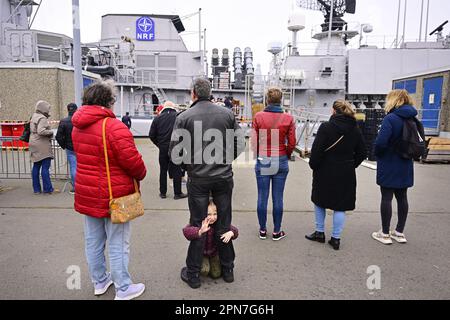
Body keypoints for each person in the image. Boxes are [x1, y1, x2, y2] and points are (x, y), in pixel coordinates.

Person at [72, 80, 147, 300]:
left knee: (93, 241)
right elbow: (133, 163)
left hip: (87, 193)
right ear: (108, 102)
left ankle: (100, 281)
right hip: (115, 194)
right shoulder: (113, 126)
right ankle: (123, 288)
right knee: (117, 242)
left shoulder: (78, 126)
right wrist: (142, 173)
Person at [169, 78, 245, 289]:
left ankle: (193, 274)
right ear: (210, 92)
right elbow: (241, 142)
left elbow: (174, 152)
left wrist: (188, 166)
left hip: (198, 178)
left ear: (193, 93)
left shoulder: (184, 117)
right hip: (223, 177)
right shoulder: (227, 114)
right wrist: (225, 160)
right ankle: (227, 270)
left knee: (198, 224)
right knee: (223, 222)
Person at [305, 100, 366, 250]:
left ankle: (319, 232)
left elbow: (317, 150)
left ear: (333, 111)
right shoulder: (355, 128)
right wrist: (351, 165)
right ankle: (336, 238)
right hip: (346, 171)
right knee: (341, 206)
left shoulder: (326, 127)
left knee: (320, 201)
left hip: (325, 170)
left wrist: (314, 165)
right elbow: (362, 152)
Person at [371, 90, 419, 245]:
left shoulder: (391, 118)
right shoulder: (413, 118)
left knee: (386, 197)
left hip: (390, 162)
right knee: (402, 197)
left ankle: (384, 233)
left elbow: (381, 142)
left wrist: (377, 154)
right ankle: (399, 232)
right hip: (405, 163)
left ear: (392, 100)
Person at [252, 87, 296, 241]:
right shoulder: (288, 118)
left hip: (264, 157)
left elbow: (254, 142)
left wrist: (259, 156)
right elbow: (292, 143)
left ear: (267, 100)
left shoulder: (258, 117)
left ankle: (263, 230)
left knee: (262, 196)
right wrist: (287, 154)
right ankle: (277, 231)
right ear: (281, 100)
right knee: (278, 198)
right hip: (281, 158)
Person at [182, 198, 238, 279]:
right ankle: (190, 269)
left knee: (216, 274)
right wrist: (200, 231)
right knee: (204, 270)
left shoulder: (219, 223)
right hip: (202, 254)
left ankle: (217, 265)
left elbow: (234, 230)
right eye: (209, 214)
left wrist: (232, 232)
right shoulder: (200, 223)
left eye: (215, 214)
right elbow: (186, 231)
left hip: (214, 253)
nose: (212, 217)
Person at [149, 101, 187, 200]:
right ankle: (177, 193)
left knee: (163, 170)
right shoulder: (179, 117)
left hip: (163, 148)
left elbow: (151, 135)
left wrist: (159, 145)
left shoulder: (157, 118)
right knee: (177, 170)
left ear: (164, 108)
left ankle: (163, 193)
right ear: (173, 107)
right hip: (176, 147)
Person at [29, 100, 54, 194]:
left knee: (36, 166)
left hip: (33, 141)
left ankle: (36, 189)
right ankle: (47, 189)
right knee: (45, 167)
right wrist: (51, 132)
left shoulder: (34, 116)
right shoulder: (42, 118)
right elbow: (41, 131)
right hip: (42, 144)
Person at [55, 103, 78, 194]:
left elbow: (58, 136)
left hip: (70, 148)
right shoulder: (80, 120)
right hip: (80, 147)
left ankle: (75, 188)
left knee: (73, 167)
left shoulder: (64, 121)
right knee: (83, 167)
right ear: (76, 110)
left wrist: (64, 145)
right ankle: (83, 186)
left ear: (68, 110)